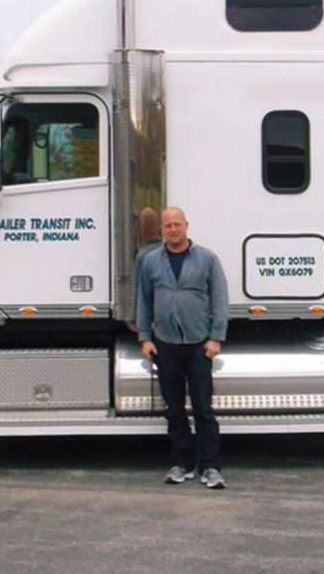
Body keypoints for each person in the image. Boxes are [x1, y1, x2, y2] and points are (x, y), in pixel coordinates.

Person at [136, 206, 228, 489]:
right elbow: (144, 300)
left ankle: (210, 467)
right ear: (161, 230)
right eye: (168, 225)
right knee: (174, 410)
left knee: (203, 409)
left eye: (177, 224)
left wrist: (215, 338)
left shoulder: (207, 259)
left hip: (199, 345)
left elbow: (219, 300)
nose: (173, 229)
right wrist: (145, 337)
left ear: (186, 226)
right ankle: (181, 463)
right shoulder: (151, 261)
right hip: (165, 345)